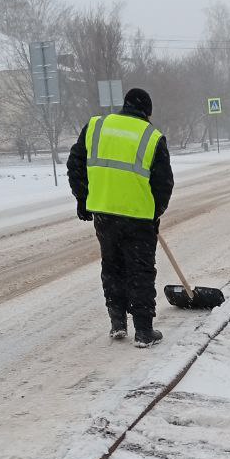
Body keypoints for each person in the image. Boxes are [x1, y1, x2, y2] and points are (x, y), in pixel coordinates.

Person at [66, 86, 174, 346]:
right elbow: (163, 184)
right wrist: (155, 213)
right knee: (141, 272)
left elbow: (75, 163)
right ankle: (145, 332)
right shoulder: (152, 136)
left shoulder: (96, 126)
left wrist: (83, 199)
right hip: (138, 219)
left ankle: (117, 323)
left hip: (104, 215)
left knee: (112, 267)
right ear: (147, 112)